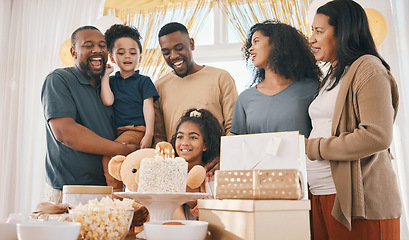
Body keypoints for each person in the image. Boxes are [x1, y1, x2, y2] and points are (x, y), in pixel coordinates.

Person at [306, 0, 401, 239]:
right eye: (312, 31)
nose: (311, 39)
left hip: (360, 206)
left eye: (319, 31)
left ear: (343, 32)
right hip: (323, 194)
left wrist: (314, 147)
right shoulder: (332, 75)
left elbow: (376, 135)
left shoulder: (369, 68)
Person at [41, 26, 148, 225]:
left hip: (107, 190)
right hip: (69, 191)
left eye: (102, 45)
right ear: (73, 52)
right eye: (88, 45)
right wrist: (122, 150)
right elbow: (66, 133)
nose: (97, 50)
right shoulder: (59, 80)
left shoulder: (110, 86)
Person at [154, 22, 238, 175]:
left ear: (191, 44)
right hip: (176, 174)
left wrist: (224, 157)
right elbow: (159, 136)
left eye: (179, 48)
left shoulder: (220, 78)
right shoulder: (159, 87)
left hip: (214, 170)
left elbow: (234, 126)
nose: (173, 56)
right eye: (166, 52)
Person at [231, 20, 321, 137]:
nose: (250, 49)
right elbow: (237, 144)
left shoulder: (312, 89)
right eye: (251, 44)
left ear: (277, 43)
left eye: (256, 41)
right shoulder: (245, 99)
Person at [100, 24, 159, 192]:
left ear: (140, 58)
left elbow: (148, 108)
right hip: (119, 131)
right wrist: (105, 76)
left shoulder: (144, 81)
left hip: (136, 129)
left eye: (133, 53)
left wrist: (149, 134)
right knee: (125, 164)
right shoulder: (112, 81)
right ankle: (123, 193)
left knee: (109, 157)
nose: (127, 56)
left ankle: (116, 195)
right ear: (112, 57)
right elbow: (108, 101)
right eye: (121, 53)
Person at [170, 108, 223, 219]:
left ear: (205, 145)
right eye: (180, 137)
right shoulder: (169, 172)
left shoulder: (212, 176)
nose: (184, 143)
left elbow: (218, 217)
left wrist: (192, 200)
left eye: (193, 137)